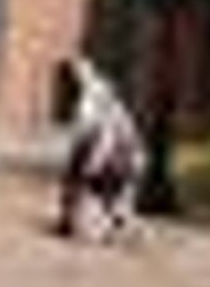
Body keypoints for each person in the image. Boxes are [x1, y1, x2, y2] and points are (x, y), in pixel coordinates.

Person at [53, 54, 145, 240]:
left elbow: (104, 138)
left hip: (116, 160)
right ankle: (113, 220)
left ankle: (110, 222)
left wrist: (89, 170)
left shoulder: (89, 104)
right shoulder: (100, 95)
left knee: (87, 224)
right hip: (122, 160)